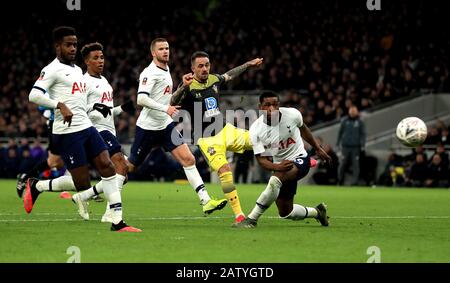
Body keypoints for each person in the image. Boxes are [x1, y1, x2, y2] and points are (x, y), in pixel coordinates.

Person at [26, 26, 140, 232]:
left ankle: (117, 221)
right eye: (68, 45)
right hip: (67, 133)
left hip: (87, 127)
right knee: (82, 184)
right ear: (57, 46)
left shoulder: (77, 70)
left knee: (108, 167)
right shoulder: (51, 69)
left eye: (74, 45)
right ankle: (36, 186)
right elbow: (33, 95)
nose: (72, 48)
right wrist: (58, 105)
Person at [127, 38, 227, 214]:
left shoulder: (165, 70)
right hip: (148, 127)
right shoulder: (149, 72)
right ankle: (91, 192)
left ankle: (206, 201)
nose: (165, 51)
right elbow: (141, 99)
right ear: (153, 53)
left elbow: (167, 98)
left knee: (189, 160)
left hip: (165, 125)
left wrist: (183, 86)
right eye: (161, 49)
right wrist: (166, 108)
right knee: (129, 168)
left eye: (167, 48)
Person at [171, 51, 263, 223]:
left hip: (225, 130)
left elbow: (230, 74)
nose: (204, 69)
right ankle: (239, 215)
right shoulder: (188, 87)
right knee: (224, 171)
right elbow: (172, 102)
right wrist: (183, 86)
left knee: (260, 139)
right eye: (200, 66)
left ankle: (298, 156)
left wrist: (248, 64)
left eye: (207, 65)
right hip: (206, 139)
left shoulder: (214, 79)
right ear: (192, 69)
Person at [233, 91, 331, 228]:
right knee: (286, 212)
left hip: (300, 159)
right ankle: (318, 212)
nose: (271, 108)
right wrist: (277, 167)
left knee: (275, 180)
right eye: (267, 105)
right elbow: (261, 160)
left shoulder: (292, 114)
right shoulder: (255, 130)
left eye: (275, 104)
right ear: (260, 107)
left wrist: (318, 148)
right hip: (281, 166)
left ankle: (251, 219)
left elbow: (303, 129)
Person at [336, 106, 366, 186]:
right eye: (351, 111)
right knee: (342, 164)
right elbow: (340, 132)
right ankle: (340, 180)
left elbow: (363, 134)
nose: (352, 113)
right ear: (349, 112)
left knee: (356, 165)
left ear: (356, 112)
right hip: (345, 147)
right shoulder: (344, 121)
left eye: (354, 111)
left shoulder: (360, 122)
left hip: (356, 147)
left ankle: (355, 182)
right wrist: (337, 143)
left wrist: (363, 144)